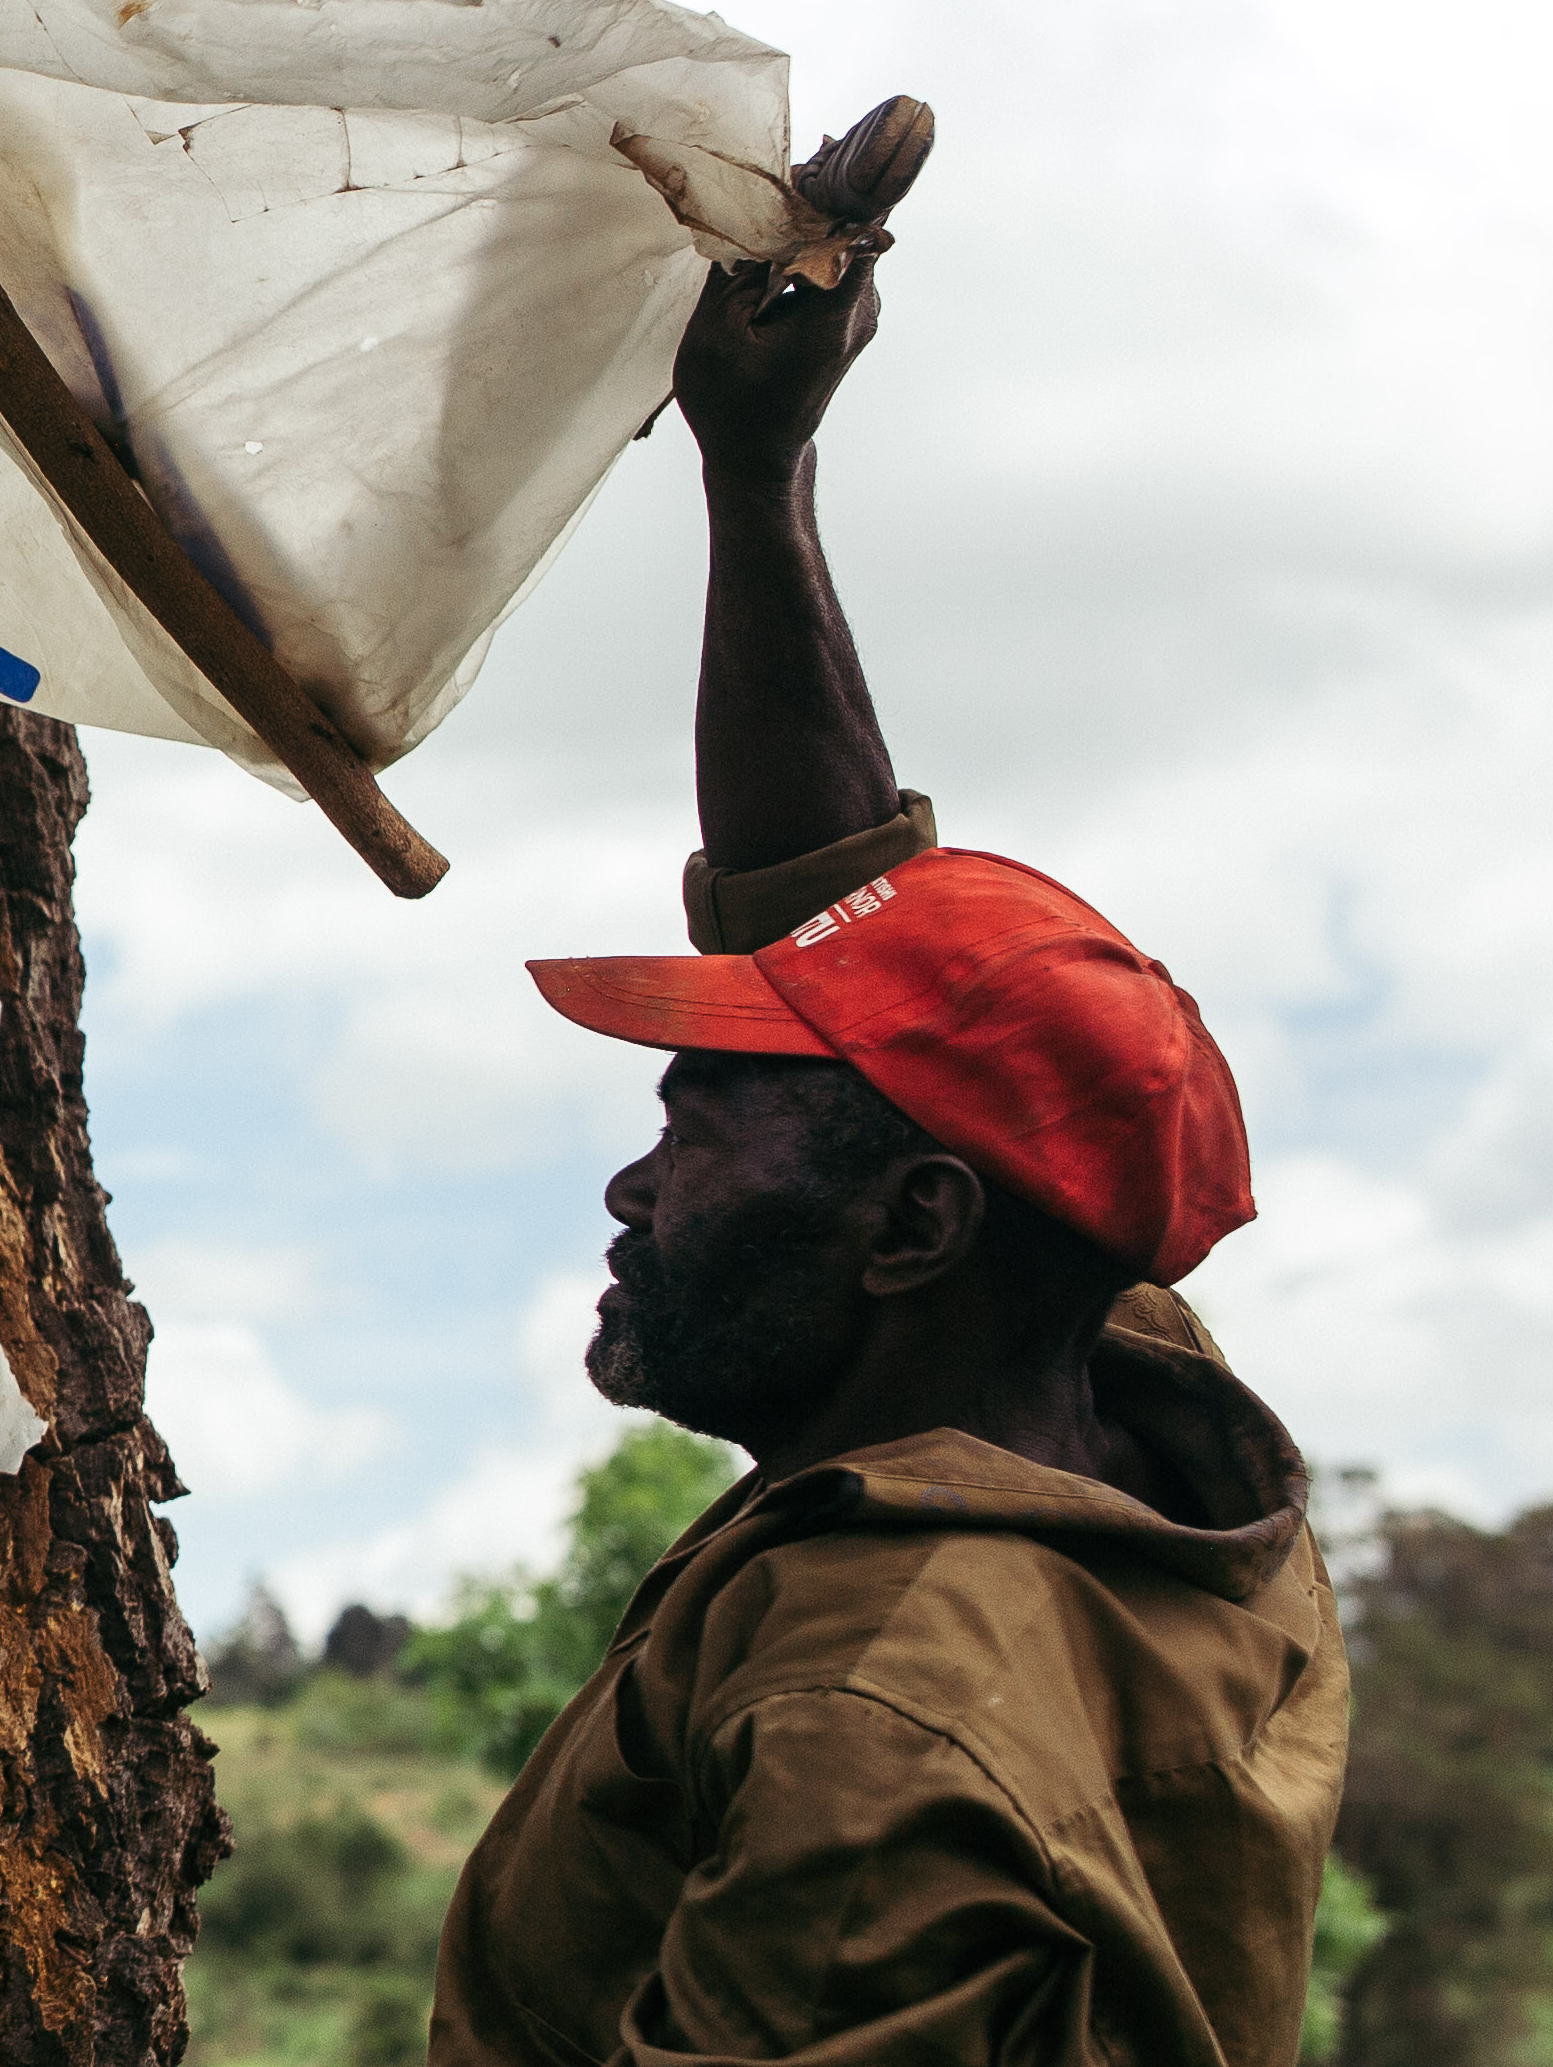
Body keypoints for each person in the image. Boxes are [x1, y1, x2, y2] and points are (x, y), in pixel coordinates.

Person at [426, 252, 1348, 2066]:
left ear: (914, 1227)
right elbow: (834, 905)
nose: (635, 1188)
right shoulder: (1116, 1409)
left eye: (696, 1125)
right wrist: (755, 472)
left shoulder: (882, 1713)